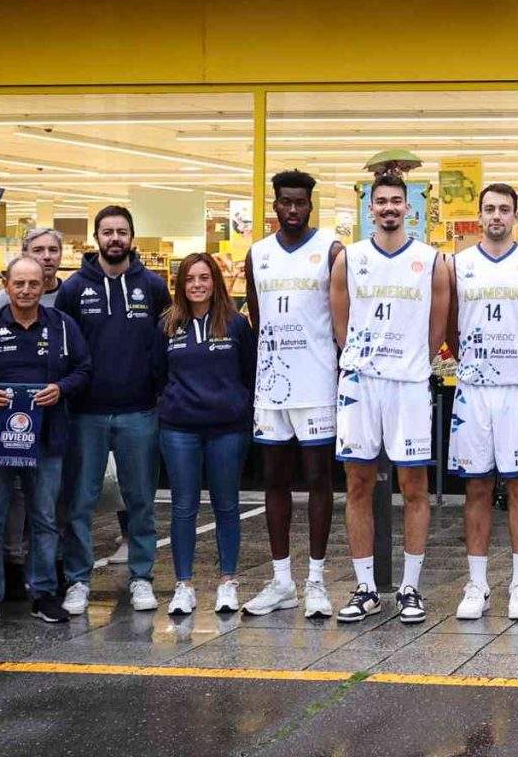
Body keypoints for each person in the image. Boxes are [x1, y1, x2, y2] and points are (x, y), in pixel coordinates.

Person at [331, 171, 448, 622]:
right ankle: (365, 587)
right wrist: (360, 358)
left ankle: (410, 587)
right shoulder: (350, 258)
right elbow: (340, 323)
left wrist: (413, 363)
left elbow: (438, 327)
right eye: (381, 201)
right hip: (361, 382)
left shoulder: (430, 259)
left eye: (396, 201)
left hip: (409, 382)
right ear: (370, 208)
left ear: (409, 208)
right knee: (358, 484)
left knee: (413, 486)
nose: (388, 209)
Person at [447, 183, 518, 620]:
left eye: (504, 209)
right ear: (479, 216)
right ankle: (477, 585)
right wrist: (473, 363)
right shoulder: (458, 266)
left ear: (516, 217)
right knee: (475, 486)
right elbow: (450, 327)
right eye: (490, 209)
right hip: (473, 389)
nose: (497, 216)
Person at [0, 253, 89, 628]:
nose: (27, 290)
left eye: (34, 283)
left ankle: (44, 594)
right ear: (6, 285)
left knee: (45, 519)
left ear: (44, 285)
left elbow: (84, 370)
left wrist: (61, 389)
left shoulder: (63, 327)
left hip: (47, 439)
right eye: (20, 283)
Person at [53, 205, 169, 615]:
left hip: (140, 410)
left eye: (121, 231)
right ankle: (79, 581)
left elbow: (166, 342)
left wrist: (160, 393)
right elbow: (63, 348)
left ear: (132, 237)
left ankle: (141, 578)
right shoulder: (73, 289)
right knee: (80, 503)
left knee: (141, 501)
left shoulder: (153, 286)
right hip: (86, 413)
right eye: (107, 232)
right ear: (96, 238)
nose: (114, 238)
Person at [243, 169, 341, 619]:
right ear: (275, 205)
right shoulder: (257, 255)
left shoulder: (331, 250)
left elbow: (342, 318)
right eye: (286, 202)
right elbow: (257, 320)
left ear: (310, 205)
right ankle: (282, 580)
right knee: (274, 479)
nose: (294, 209)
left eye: (301, 202)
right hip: (272, 383)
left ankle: (316, 580)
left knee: (319, 479)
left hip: (317, 380)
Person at [158, 252, 258, 618]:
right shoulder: (167, 325)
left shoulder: (235, 325)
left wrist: (238, 408)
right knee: (183, 507)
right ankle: (183, 585)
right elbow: (158, 373)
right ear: (180, 284)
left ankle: (227, 581)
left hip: (227, 429)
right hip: (179, 428)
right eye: (190, 279)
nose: (197, 285)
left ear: (215, 281)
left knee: (227, 504)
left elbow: (249, 372)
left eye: (204, 277)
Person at [0, 225, 64, 316]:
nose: (47, 256)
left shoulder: (72, 295)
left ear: (61, 254)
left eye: (53, 250)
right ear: (24, 255)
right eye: (38, 250)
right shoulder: (4, 299)